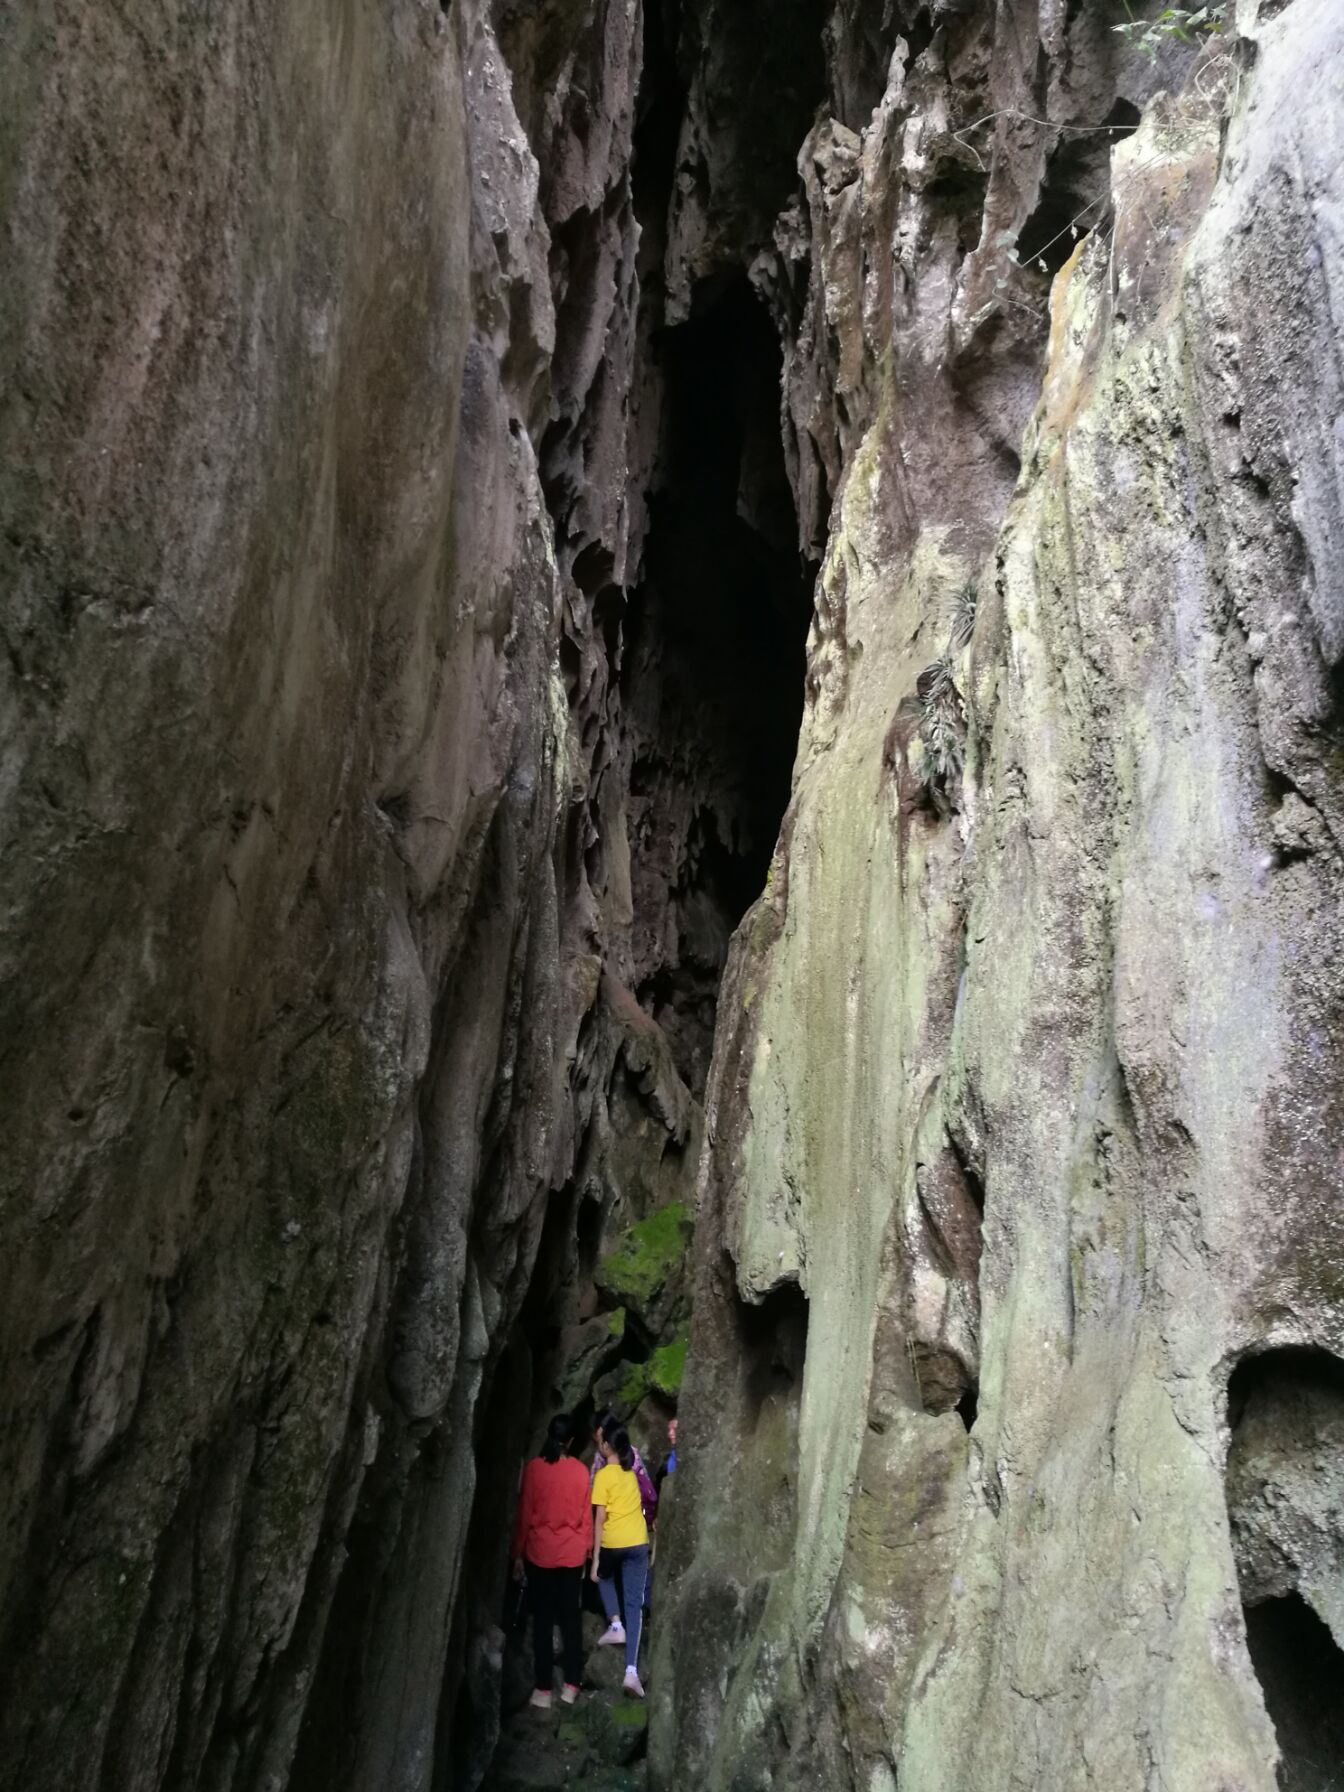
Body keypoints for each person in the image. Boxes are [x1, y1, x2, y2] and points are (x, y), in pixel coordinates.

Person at [512, 1412, 590, 1710]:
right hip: (570, 1556)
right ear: (571, 1441)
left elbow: (525, 1515)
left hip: (540, 1554)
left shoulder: (534, 1469)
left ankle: (543, 1689)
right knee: (571, 1620)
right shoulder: (581, 1472)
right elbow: (585, 1519)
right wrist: (585, 1552)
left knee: (542, 1622)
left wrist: (517, 1553)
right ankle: (571, 1684)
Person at [591, 1424, 650, 1699]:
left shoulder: (603, 1476)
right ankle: (631, 1671)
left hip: (614, 1542)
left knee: (604, 1576)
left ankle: (615, 1625)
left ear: (606, 1447)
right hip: (638, 1542)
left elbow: (600, 1518)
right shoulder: (631, 1474)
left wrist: (595, 1559)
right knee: (634, 1604)